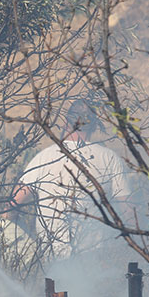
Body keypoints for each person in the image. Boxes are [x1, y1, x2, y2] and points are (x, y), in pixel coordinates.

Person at [12, 100, 133, 260]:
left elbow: (13, 203)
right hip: (95, 256)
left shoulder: (43, 157)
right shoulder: (109, 158)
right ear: (94, 126)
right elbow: (128, 211)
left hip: (50, 254)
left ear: (65, 123)